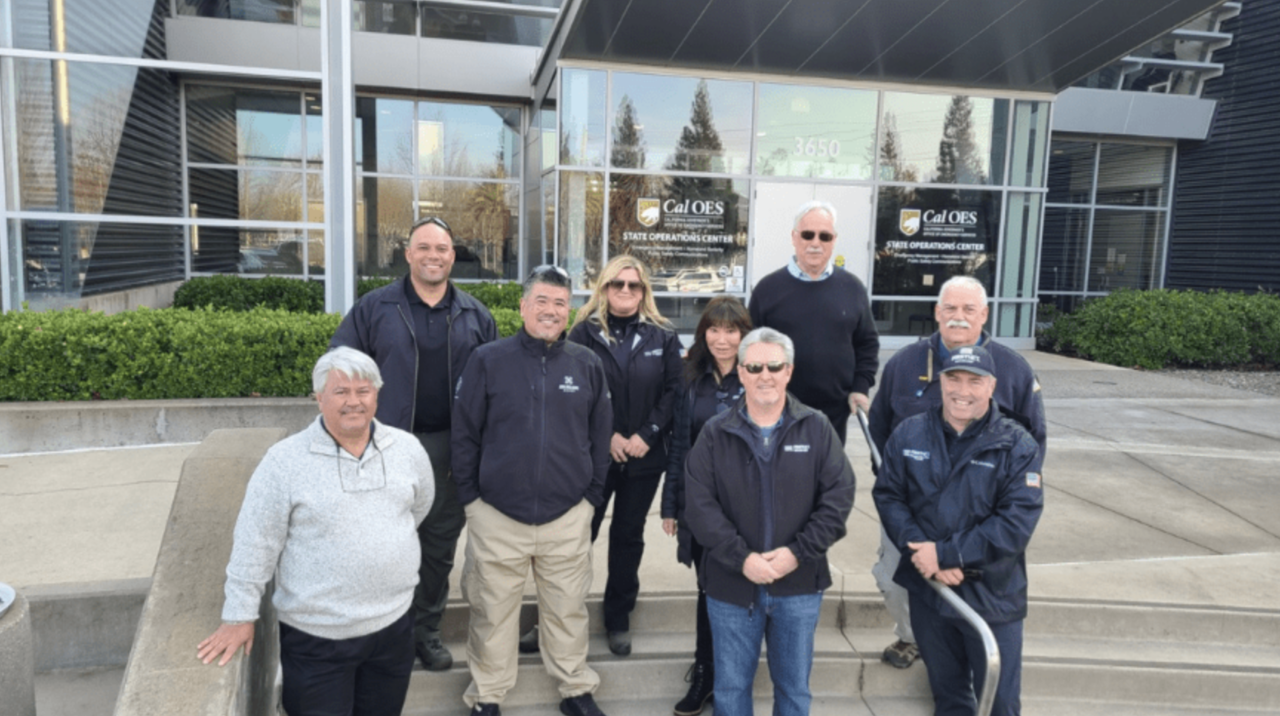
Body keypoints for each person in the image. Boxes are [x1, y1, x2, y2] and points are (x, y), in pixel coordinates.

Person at [196, 347, 435, 716]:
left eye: (363, 391)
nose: (353, 402)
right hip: (318, 640)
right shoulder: (284, 462)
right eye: (340, 392)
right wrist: (239, 615)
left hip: (393, 629)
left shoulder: (408, 449)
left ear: (377, 394)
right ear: (319, 397)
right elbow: (256, 542)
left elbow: (418, 509)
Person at [330, 215, 497, 671]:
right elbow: (337, 368)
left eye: (441, 249)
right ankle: (381, 637)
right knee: (381, 542)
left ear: (452, 256)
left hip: (450, 449)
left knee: (439, 546)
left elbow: (496, 387)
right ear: (408, 254)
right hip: (385, 447)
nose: (433, 257)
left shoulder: (475, 315)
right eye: (424, 248)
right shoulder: (374, 308)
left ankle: (425, 632)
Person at [452, 264, 613, 716]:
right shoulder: (488, 360)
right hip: (497, 515)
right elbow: (464, 434)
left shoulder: (586, 365)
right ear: (523, 307)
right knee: (492, 611)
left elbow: (601, 437)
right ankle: (487, 696)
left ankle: (575, 689)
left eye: (559, 303)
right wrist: (471, 501)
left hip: (567, 516)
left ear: (570, 312)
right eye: (541, 301)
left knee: (567, 609)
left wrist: (591, 498)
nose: (550, 310)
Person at [866, 275, 1046, 669]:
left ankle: (967, 653)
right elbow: (880, 433)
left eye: (969, 310)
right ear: (937, 312)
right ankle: (912, 638)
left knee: (970, 585)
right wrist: (907, 515)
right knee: (894, 580)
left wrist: (963, 542)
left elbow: (1034, 443)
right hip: (910, 516)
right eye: (950, 308)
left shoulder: (1014, 370)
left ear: (984, 314)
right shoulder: (903, 364)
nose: (959, 317)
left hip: (980, 516)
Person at [684, 328, 856, 716]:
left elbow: (838, 498)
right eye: (755, 366)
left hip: (797, 586)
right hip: (731, 587)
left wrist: (797, 554)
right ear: (741, 373)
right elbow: (698, 505)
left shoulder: (816, 427)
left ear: (789, 371)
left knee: (794, 691)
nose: (765, 374)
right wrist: (742, 558)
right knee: (729, 690)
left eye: (774, 366)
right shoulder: (714, 433)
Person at [565, 255, 683, 656]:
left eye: (634, 286)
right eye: (618, 284)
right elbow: (574, 393)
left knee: (628, 537)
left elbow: (674, 392)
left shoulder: (663, 335)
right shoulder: (582, 334)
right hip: (595, 457)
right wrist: (609, 436)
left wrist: (647, 434)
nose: (626, 292)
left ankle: (618, 617)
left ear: (644, 291)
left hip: (644, 457)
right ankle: (560, 614)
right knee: (579, 535)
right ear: (604, 288)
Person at [660, 296, 752, 716]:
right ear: (703, 334)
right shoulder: (690, 378)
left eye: (731, 330)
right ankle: (705, 672)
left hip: (746, 505)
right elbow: (678, 444)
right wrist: (670, 505)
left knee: (742, 588)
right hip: (700, 506)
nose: (722, 338)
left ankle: (735, 674)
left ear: (744, 334)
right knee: (708, 589)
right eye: (714, 329)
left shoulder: (757, 375)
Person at [748, 200, 879, 444]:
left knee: (826, 479)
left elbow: (867, 344)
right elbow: (748, 348)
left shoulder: (853, 288)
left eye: (825, 236)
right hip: (777, 410)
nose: (816, 243)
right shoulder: (767, 290)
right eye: (808, 235)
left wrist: (861, 387)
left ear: (834, 241)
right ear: (794, 237)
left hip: (834, 414)